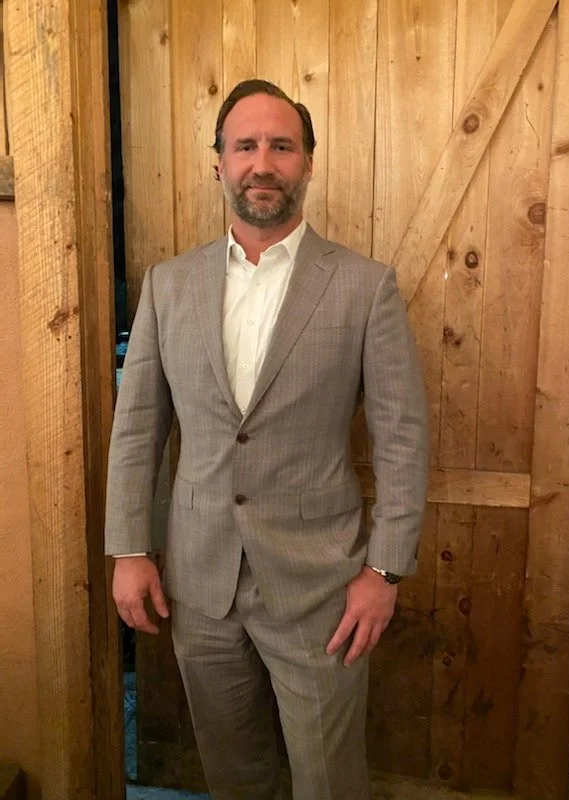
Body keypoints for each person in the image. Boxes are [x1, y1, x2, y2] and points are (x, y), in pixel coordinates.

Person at [105, 79, 428, 800]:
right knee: (233, 774)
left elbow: (402, 436)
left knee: (327, 780)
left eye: (281, 146)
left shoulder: (363, 287)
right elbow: (138, 432)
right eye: (244, 145)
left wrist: (386, 572)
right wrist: (129, 549)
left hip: (323, 590)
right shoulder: (168, 285)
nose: (262, 162)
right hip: (199, 584)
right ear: (217, 163)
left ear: (308, 162)